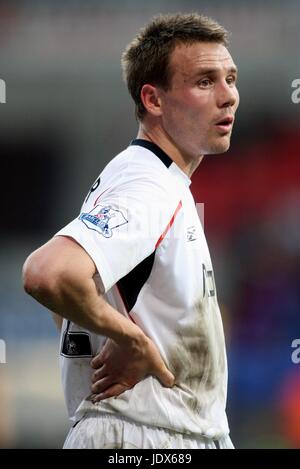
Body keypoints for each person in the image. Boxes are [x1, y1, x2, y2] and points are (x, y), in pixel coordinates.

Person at [23, 12, 239, 449]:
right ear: (154, 100)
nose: (228, 96)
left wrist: (102, 329)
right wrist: (129, 338)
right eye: (204, 82)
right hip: (150, 440)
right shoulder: (148, 185)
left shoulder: (145, 177)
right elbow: (47, 273)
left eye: (230, 79)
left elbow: (68, 297)